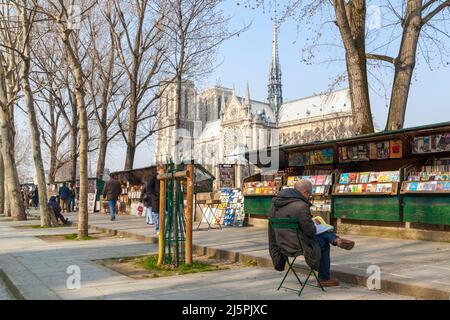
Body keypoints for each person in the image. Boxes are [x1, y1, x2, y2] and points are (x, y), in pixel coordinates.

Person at [269, 179, 355, 288]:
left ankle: (335, 239)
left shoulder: (275, 204)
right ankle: (324, 278)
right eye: (309, 194)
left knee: (320, 232)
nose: (309, 196)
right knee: (323, 240)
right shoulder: (301, 206)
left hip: (281, 243)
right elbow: (310, 231)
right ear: (305, 192)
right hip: (298, 245)